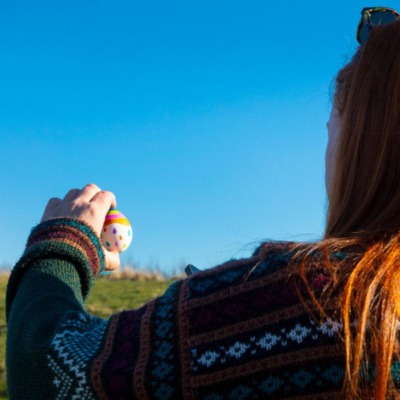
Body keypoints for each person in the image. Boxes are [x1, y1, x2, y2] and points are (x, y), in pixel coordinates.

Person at [6, 7, 400, 400]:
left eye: (334, 125)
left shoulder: (303, 302)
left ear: (366, 143)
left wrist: (63, 245)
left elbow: (48, 370)